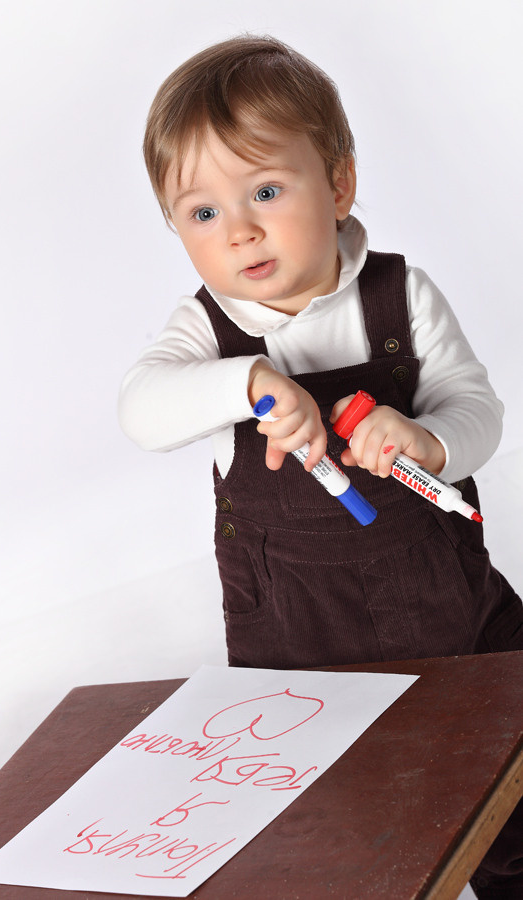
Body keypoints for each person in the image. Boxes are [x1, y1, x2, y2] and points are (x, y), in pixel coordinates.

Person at [119, 35, 523, 897]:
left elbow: (479, 412)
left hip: (452, 620)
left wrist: (429, 440)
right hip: (299, 651)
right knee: (343, 835)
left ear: (337, 184)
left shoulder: (401, 297)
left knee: (509, 799)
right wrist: (249, 380)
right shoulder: (207, 336)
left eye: (266, 190)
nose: (240, 229)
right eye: (202, 213)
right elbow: (142, 413)